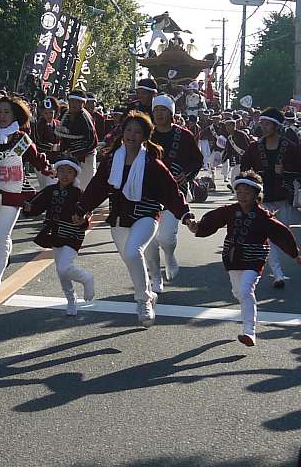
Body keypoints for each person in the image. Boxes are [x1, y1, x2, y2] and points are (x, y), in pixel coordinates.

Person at [74, 111, 195, 328]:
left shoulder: (152, 163)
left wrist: (186, 216)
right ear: (123, 132)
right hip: (119, 217)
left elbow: (171, 191)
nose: (131, 135)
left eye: (137, 132)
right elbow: (98, 186)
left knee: (132, 252)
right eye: (128, 130)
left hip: (146, 215)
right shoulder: (112, 160)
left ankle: (143, 300)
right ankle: (148, 293)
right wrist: (82, 208)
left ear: (145, 137)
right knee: (131, 260)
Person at [188, 172, 301, 346]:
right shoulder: (229, 211)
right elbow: (212, 220)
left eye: (247, 193)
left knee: (246, 288)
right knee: (238, 292)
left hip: (254, 259)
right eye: (239, 192)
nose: (242, 196)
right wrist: (198, 227)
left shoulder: (264, 217)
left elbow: (282, 235)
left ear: (257, 194)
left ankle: (249, 331)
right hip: (233, 259)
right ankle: (246, 308)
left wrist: (295, 254)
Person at [0, 96, 48, 298]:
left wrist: (51, 170)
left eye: (7, 112)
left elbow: (37, 159)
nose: (2, 116)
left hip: (13, 195)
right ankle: (5, 254)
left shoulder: (22, 138)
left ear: (15, 115)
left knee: (2, 237)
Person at [145, 95, 203, 292]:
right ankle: (155, 278)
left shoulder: (184, 135)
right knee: (149, 240)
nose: (159, 114)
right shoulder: (146, 133)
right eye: (156, 110)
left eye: (163, 110)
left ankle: (169, 257)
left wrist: (186, 175)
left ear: (171, 113)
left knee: (166, 237)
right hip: (148, 192)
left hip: (174, 192)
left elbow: (197, 160)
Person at [23, 158, 94, 315]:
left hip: (73, 234)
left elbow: (88, 211)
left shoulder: (79, 193)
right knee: (61, 271)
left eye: (69, 171)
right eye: (61, 170)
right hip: (55, 234)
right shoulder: (50, 190)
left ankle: (86, 278)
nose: (65, 175)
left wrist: (83, 220)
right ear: (56, 172)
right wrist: (29, 208)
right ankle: (71, 299)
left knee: (64, 267)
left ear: (75, 174)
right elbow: (37, 205)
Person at [241, 107, 301, 289]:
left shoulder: (290, 147)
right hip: (263, 198)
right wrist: (251, 181)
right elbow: (245, 169)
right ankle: (277, 274)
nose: (263, 127)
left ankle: (287, 262)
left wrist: (285, 171)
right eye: (262, 123)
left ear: (276, 126)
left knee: (282, 235)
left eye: (267, 124)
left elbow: (299, 170)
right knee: (269, 236)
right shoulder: (254, 147)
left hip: (283, 197)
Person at [55, 89, 98, 189]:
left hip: (85, 158)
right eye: (72, 101)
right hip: (71, 157)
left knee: (85, 186)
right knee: (70, 186)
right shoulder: (67, 115)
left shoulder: (85, 118)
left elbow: (93, 142)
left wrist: (74, 152)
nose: (74, 104)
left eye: (78, 101)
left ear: (83, 104)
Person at [33, 97, 62, 189]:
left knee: (53, 187)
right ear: (42, 113)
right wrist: (52, 147)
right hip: (42, 161)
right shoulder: (38, 125)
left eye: (51, 113)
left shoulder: (59, 124)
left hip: (56, 160)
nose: (49, 115)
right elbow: (37, 142)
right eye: (46, 113)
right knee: (46, 187)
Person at [222, 117, 251, 188]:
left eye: (228, 125)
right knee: (235, 176)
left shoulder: (241, 134)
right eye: (226, 126)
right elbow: (228, 150)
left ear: (233, 126)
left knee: (237, 177)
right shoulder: (229, 137)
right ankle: (236, 190)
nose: (227, 127)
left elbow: (248, 147)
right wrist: (224, 159)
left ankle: (237, 190)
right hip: (237, 160)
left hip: (245, 159)